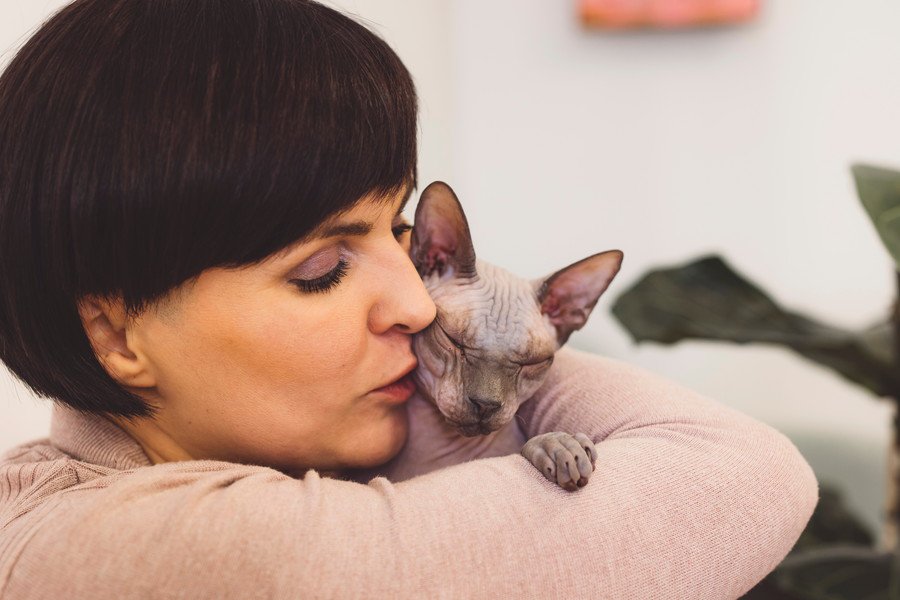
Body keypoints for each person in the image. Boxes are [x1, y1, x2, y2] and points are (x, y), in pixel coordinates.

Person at [0, 1, 817, 598]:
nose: (418, 306)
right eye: (321, 269)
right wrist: (517, 348)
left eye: (396, 232)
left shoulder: (298, 451)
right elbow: (746, 474)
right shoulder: (112, 552)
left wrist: (512, 334)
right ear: (116, 336)